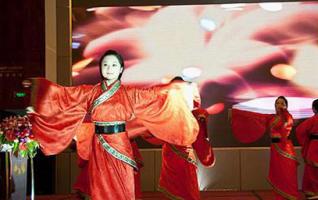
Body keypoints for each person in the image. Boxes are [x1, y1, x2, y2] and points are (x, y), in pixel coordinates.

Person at [27, 50, 199, 200]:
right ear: (101, 68)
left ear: (121, 69)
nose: (109, 69)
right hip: (99, 146)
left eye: (114, 65)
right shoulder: (90, 91)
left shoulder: (130, 93)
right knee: (101, 188)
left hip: (120, 145)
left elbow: (155, 94)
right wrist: (38, 88)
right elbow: (64, 96)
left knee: (123, 186)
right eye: (105, 65)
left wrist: (176, 88)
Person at [231, 96, 299, 200]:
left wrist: (284, 112)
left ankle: (291, 196)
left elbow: (286, 125)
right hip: (275, 149)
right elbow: (255, 117)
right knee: (278, 175)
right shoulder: (271, 118)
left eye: (282, 103)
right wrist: (237, 113)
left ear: (286, 106)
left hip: (285, 149)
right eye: (277, 103)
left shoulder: (287, 117)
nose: (279, 105)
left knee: (287, 174)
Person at [296, 99, 318, 199]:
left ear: (313, 109)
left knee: (311, 170)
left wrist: (307, 140)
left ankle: (313, 192)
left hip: (313, 146)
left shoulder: (311, 120)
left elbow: (299, 131)